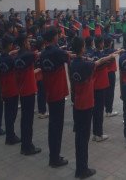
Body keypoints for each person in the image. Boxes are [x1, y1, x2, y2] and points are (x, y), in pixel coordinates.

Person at [70, 37, 117, 179]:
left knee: (79, 138)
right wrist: (111, 56)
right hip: (86, 103)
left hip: (77, 103)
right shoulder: (85, 65)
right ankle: (82, 170)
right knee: (83, 139)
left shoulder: (73, 63)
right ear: (82, 48)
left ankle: (80, 167)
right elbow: (98, 62)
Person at [40, 27, 70, 168]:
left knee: (53, 125)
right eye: (58, 35)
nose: (59, 37)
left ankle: (54, 155)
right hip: (58, 93)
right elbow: (69, 56)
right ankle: (54, 159)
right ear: (54, 37)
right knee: (57, 127)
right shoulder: (57, 51)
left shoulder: (43, 53)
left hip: (50, 92)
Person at [15, 33, 42, 155]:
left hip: (22, 89)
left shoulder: (18, 55)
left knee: (24, 119)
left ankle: (24, 145)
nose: (29, 43)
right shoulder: (28, 55)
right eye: (27, 41)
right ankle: (27, 147)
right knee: (28, 121)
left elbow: (28, 71)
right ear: (24, 42)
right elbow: (39, 54)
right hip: (29, 91)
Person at [0, 35, 20, 145]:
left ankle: (9, 135)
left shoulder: (0, 58)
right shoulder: (11, 60)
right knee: (12, 113)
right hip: (12, 89)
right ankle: (11, 136)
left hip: (4, 89)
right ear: (9, 45)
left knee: (7, 114)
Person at [104, 37, 119, 117]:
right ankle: (109, 110)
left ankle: (107, 108)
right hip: (111, 74)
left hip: (105, 74)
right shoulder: (111, 51)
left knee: (106, 91)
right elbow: (119, 51)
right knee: (110, 92)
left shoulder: (103, 51)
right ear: (110, 43)